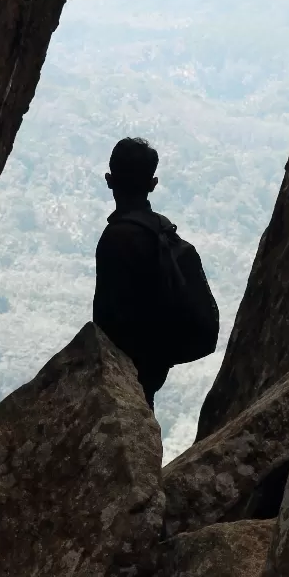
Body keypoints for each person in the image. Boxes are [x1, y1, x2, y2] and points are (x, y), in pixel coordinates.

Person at [92, 136, 179, 407]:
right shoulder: (163, 232)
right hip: (154, 363)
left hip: (121, 368)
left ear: (109, 180)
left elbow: (105, 316)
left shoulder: (115, 238)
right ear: (153, 184)